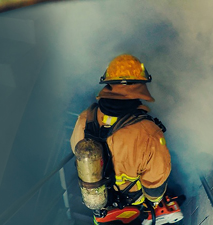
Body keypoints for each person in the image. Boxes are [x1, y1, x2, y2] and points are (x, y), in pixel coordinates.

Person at [70, 54, 177, 224]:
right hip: (130, 209)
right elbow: (154, 187)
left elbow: (76, 149)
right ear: (140, 87)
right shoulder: (149, 134)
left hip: (100, 207)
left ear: (108, 84)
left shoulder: (84, 118)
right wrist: (154, 202)